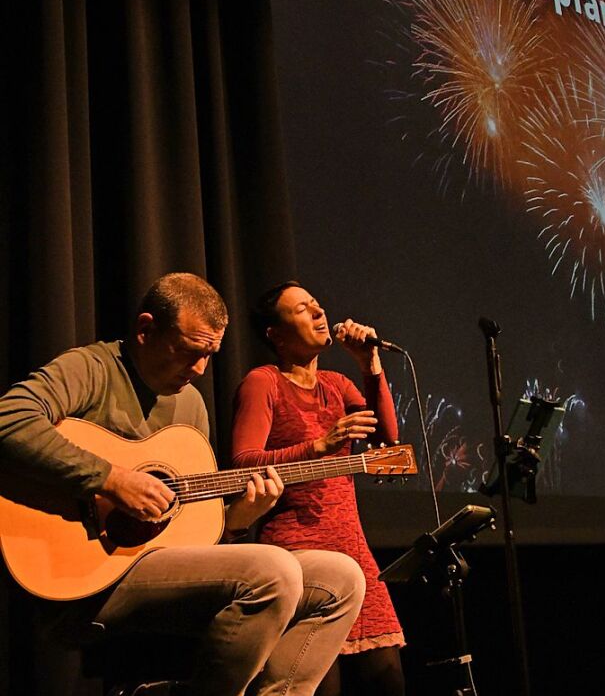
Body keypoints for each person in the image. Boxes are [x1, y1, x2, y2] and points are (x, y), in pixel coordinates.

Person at [0, 272, 365, 696]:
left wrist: (236, 520)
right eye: (189, 352)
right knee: (275, 571)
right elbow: (10, 422)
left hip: (154, 567)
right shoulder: (93, 368)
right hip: (80, 577)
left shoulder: (189, 404)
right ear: (145, 329)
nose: (198, 369)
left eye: (209, 355)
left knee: (340, 577)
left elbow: (188, 529)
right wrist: (112, 478)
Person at [232, 282, 405, 696]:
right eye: (302, 310)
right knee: (319, 687)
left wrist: (370, 365)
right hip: (299, 556)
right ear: (275, 334)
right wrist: (318, 446)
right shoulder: (263, 382)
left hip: (353, 549)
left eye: (317, 305)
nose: (318, 312)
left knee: (389, 683)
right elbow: (241, 465)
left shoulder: (336, 384)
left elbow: (387, 444)